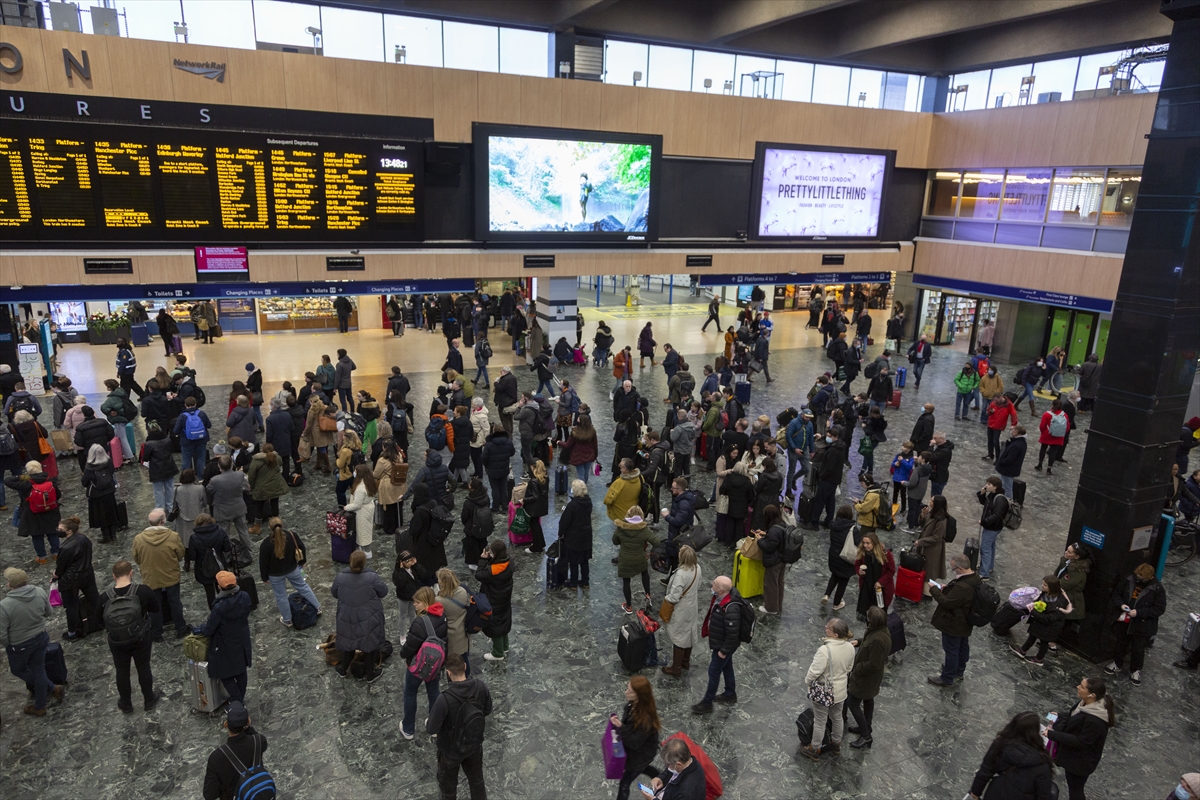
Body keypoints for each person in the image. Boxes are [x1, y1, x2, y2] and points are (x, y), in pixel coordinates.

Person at [97, 558, 162, 712]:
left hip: (117, 641)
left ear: (114, 576)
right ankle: (148, 699)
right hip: (141, 637)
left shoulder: (104, 597)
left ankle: (126, 704)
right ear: (131, 573)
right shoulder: (143, 591)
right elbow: (156, 609)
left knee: (122, 671)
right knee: (144, 667)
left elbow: (99, 621)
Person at [426, 652, 492, 800]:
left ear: (448, 673)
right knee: (477, 783)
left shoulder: (444, 699)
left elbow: (431, 729)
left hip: (450, 752)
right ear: (465, 666)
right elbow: (487, 710)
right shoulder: (480, 687)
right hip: (474, 746)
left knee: (448, 790)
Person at [1, 566, 64, 717]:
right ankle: (51, 688)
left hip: (19, 645)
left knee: (19, 670)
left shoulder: (4, 605)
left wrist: (8, 644)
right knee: (39, 669)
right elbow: (49, 612)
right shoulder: (39, 591)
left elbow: (2, 634)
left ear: (10, 585)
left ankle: (41, 705)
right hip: (41, 637)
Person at [1045, 677, 1116, 800]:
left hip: (1080, 763)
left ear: (1092, 694)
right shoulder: (1085, 703)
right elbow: (1074, 716)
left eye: (1082, 686)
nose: (1078, 687)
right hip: (1073, 757)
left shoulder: (1095, 721)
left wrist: (1052, 734)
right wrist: (1060, 715)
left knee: (1076, 789)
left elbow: (1081, 741)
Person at [799, 617, 856, 761]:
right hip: (841, 691)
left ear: (835, 635)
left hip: (824, 692)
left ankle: (814, 748)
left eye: (828, 627)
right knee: (837, 717)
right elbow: (849, 668)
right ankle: (836, 743)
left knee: (820, 720)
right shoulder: (850, 647)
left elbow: (814, 672)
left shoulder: (825, 650)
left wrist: (808, 682)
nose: (825, 627)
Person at [192, 570, 253, 703]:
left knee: (224, 673)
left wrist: (198, 630)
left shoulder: (219, 607)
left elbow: (209, 629)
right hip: (242, 639)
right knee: (241, 670)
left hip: (225, 643)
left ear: (219, 586)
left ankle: (236, 699)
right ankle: (239, 698)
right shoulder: (245, 597)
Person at [968, 712, 1056, 799]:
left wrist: (976, 792)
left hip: (996, 794)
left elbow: (986, 770)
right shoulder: (1042, 762)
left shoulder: (1000, 744)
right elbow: (1043, 795)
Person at [1104, 562, 1166, 686]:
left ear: (1150, 578)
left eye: (1141, 578)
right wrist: (1121, 604)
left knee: (1138, 648)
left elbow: (1159, 609)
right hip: (1125, 620)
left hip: (1142, 624)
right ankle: (1117, 663)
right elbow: (1116, 593)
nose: (1138, 580)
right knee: (1121, 643)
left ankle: (1136, 670)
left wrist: (1139, 612)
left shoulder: (1157, 589)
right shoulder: (1129, 579)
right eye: (1137, 576)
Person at [331, 550, 388, 682]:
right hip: (368, 617)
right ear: (364, 562)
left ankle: (343, 669)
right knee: (369, 646)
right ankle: (370, 674)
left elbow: (334, 593)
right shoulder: (372, 577)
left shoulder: (340, 576)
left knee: (349, 644)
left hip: (347, 616)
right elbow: (384, 591)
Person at [132, 508, 189, 641]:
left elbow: (136, 558)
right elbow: (180, 554)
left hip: (150, 577)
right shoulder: (173, 536)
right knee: (175, 602)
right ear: (163, 521)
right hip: (170, 575)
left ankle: (157, 633)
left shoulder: (139, 539)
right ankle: (181, 628)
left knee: (154, 606)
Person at [400, 586, 448, 739]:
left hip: (417, 666)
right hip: (435, 665)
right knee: (433, 693)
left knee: (410, 693)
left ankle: (408, 729)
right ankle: (434, 727)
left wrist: (403, 654)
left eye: (417, 602)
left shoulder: (420, 622)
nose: (414, 605)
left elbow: (410, 647)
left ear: (425, 603)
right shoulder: (442, 616)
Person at [927, 553, 981, 687]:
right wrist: (949, 589)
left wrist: (934, 589)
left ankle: (947, 677)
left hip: (954, 623)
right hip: (965, 622)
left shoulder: (962, 587)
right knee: (962, 646)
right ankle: (959, 671)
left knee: (951, 650)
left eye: (953, 569)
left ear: (960, 568)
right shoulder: (974, 577)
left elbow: (946, 603)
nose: (953, 572)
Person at [690, 574, 742, 714]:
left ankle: (707, 703)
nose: (711, 585)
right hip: (721, 642)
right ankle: (730, 694)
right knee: (727, 667)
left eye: (714, 584)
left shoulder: (730, 609)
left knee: (714, 672)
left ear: (721, 590)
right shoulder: (720, 599)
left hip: (723, 646)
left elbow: (732, 634)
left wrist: (723, 651)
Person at [258, 517, 320, 628]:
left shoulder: (266, 544)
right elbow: (301, 547)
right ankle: (317, 608)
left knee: (281, 596)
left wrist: (264, 577)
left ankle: (287, 620)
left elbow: (263, 563)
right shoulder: (291, 535)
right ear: (282, 525)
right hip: (292, 569)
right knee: (303, 588)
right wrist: (302, 561)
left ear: (269, 528)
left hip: (275, 575)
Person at [202, 700, 268, 800]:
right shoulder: (259, 741)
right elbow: (254, 735)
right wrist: (247, 727)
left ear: (225, 724)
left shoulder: (217, 757)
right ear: (249, 721)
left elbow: (209, 795)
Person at [844, 606, 890, 749]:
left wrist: (857, 668)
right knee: (868, 700)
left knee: (853, 703)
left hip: (865, 678)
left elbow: (874, 664)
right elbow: (868, 643)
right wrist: (858, 641)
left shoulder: (878, 639)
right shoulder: (880, 631)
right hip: (870, 679)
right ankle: (866, 726)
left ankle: (866, 735)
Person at [611, 675, 662, 800]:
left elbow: (634, 742)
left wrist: (621, 727)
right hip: (639, 754)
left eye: (630, 691)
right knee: (644, 769)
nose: (626, 692)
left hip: (640, 755)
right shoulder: (633, 704)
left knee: (625, 782)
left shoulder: (645, 719)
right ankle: (662, 777)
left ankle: (662, 778)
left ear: (639, 695)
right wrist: (620, 725)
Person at [51, 516, 101, 641]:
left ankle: (72, 633)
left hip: (70, 580)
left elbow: (61, 566)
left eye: (60, 528)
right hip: (87, 574)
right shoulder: (84, 539)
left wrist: (55, 575)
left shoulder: (65, 547)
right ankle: (102, 622)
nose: (58, 530)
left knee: (71, 606)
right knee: (95, 599)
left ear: (69, 531)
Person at [1011, 575, 1073, 665]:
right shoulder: (1045, 594)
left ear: (1051, 587)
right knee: (1032, 635)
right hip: (1039, 622)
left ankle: (1039, 659)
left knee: (1044, 642)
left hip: (1050, 627)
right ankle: (1023, 650)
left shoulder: (1059, 604)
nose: (1042, 586)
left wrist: (1033, 611)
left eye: (1045, 585)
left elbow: (1049, 618)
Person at [661, 544, 701, 676]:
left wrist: (667, 598)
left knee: (679, 636)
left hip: (682, 608)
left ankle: (676, 667)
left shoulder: (681, 574)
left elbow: (675, 596)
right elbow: (699, 584)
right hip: (692, 605)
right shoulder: (697, 568)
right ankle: (685, 661)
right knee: (689, 632)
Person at [207, 456, 253, 566]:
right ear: (232, 464)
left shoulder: (215, 480)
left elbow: (209, 491)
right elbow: (246, 487)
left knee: (224, 534)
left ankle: (226, 556)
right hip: (238, 507)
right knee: (243, 531)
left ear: (219, 466)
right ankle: (249, 552)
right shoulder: (240, 475)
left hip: (223, 510)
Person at [613, 506, 659, 615]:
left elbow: (615, 541)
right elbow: (657, 543)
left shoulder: (621, 528)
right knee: (644, 573)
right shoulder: (644, 529)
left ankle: (628, 606)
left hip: (625, 559)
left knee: (626, 581)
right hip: (639, 558)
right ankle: (648, 595)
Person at [474, 539, 514, 662]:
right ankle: (504, 647)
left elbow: (479, 575)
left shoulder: (492, 572)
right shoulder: (508, 562)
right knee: (503, 622)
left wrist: (483, 559)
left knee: (496, 626)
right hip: (504, 600)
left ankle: (497, 653)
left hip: (493, 600)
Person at [805, 427, 849, 530]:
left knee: (819, 501)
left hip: (827, 479)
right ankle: (828, 521)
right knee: (830, 500)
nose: (827, 438)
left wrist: (821, 476)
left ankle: (814, 523)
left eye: (830, 436)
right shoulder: (841, 446)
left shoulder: (833, 450)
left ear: (835, 437)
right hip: (835, 479)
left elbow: (829, 468)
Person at [557, 479, 594, 588]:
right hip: (586, 535)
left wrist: (561, 533)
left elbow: (564, 522)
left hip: (574, 537)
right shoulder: (589, 502)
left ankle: (573, 583)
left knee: (573, 562)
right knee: (584, 561)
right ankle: (585, 581)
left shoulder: (572, 505)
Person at [81, 444, 121, 543]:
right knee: (111, 512)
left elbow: (84, 482)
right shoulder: (108, 462)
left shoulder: (89, 467)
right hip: (109, 491)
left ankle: (106, 536)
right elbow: (111, 473)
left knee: (101, 516)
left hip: (96, 495)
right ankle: (113, 535)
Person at [436, 568, 472, 677]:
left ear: (442, 582)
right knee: (464, 658)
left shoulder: (439, 600)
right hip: (464, 632)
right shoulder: (463, 591)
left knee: (453, 664)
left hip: (452, 636)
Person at [821, 505, 858, 611]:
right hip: (846, 559)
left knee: (834, 576)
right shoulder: (853, 529)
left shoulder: (833, 526)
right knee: (843, 581)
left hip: (833, 556)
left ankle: (826, 595)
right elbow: (859, 544)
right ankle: (836, 603)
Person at [854, 530, 895, 619]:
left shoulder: (886, 554)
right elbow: (857, 564)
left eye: (868, 543)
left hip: (881, 588)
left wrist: (881, 582)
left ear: (874, 543)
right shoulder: (862, 552)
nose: (865, 545)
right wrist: (859, 571)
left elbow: (891, 571)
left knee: (880, 610)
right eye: (864, 543)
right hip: (867, 585)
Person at [754, 505, 787, 616]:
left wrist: (760, 540)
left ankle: (771, 608)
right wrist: (766, 534)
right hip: (782, 559)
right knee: (779, 583)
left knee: (771, 584)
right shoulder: (782, 525)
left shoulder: (773, 530)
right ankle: (778, 605)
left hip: (774, 561)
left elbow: (768, 547)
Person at [976, 477, 1010, 581]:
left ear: (995, 487)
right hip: (992, 526)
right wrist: (982, 494)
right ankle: (988, 567)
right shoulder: (992, 495)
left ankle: (984, 573)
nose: (986, 485)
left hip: (992, 527)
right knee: (991, 547)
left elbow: (997, 515)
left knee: (985, 548)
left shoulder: (999, 499)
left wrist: (985, 521)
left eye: (989, 484)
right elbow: (986, 504)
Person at [912, 494, 948, 591]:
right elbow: (923, 524)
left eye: (932, 501)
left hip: (932, 549)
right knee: (924, 568)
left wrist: (921, 542)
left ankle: (928, 592)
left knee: (930, 571)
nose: (929, 502)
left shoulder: (941, 520)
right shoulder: (932, 513)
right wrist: (923, 515)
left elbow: (936, 538)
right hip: (925, 546)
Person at [1036, 398, 1068, 475]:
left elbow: (1042, 426)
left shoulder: (1047, 414)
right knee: (1053, 452)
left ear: (1052, 405)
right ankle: (1049, 469)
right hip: (1058, 436)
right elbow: (1067, 427)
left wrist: (1043, 433)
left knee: (1043, 449)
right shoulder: (1065, 415)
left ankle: (1040, 464)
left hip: (1047, 434)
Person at [994, 425, 1028, 498]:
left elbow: (1010, 459)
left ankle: (1008, 503)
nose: (1012, 432)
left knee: (1006, 488)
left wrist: (1000, 461)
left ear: (1019, 434)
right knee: (1007, 486)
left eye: (1014, 431)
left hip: (1008, 470)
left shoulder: (1016, 445)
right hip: (1011, 469)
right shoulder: (1022, 443)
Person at [927, 431, 954, 496]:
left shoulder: (945, 451)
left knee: (935, 496)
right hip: (936, 475)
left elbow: (932, 457)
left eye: (935, 438)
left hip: (939, 477)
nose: (933, 440)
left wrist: (931, 446)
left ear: (941, 439)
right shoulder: (942, 447)